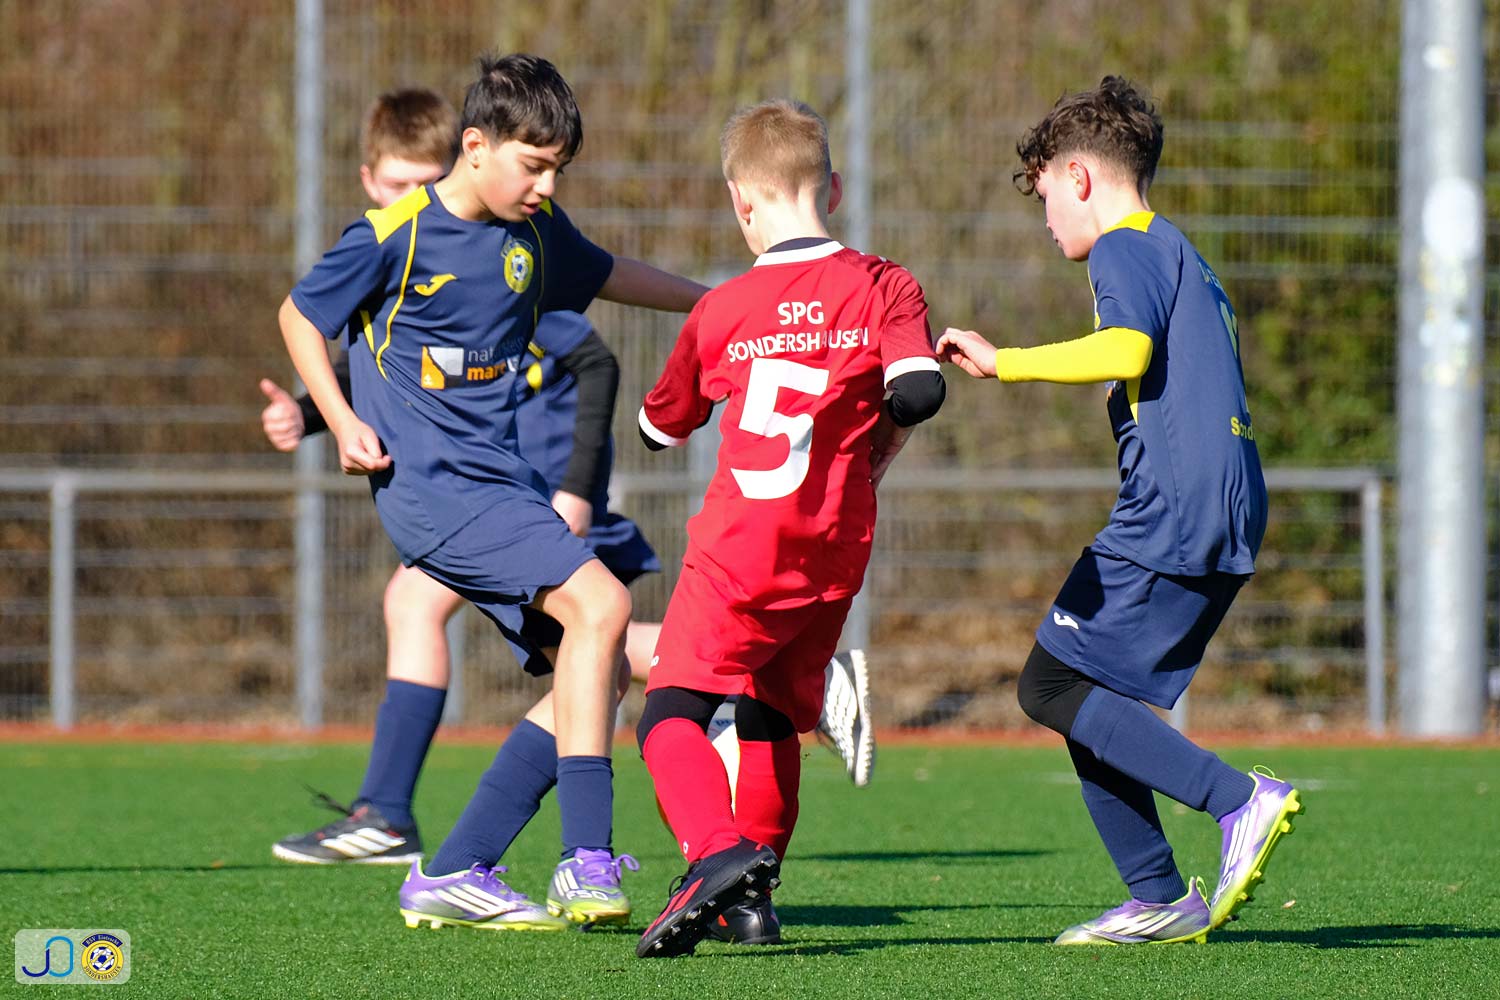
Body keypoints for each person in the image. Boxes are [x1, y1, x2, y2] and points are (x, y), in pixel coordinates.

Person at [277, 53, 708, 933]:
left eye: (558, 170)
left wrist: (730, 309)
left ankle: (453, 868)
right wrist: (341, 419)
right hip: (430, 488)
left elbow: (614, 272)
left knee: (595, 676)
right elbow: (299, 315)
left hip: (502, 484)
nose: (546, 186)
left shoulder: (535, 233)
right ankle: (586, 859)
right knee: (602, 604)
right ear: (475, 147)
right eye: (533, 165)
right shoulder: (395, 233)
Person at [938, 76, 1302, 946]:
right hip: (1224, 502)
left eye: (1044, 198)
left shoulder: (1124, 248)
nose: (1046, 221)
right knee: (1075, 683)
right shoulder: (1182, 253)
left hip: (1172, 507)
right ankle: (1157, 895)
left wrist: (1005, 361)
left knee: (1049, 684)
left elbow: (1128, 348)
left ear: (1079, 177)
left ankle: (1236, 799)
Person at [632, 99, 946, 958]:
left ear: (740, 201)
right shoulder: (884, 284)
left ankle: (713, 853)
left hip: (740, 550)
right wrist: (882, 431)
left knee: (669, 711)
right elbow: (918, 390)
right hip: (833, 551)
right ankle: (752, 904)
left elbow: (658, 428)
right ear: (832, 189)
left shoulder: (722, 309)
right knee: (771, 714)